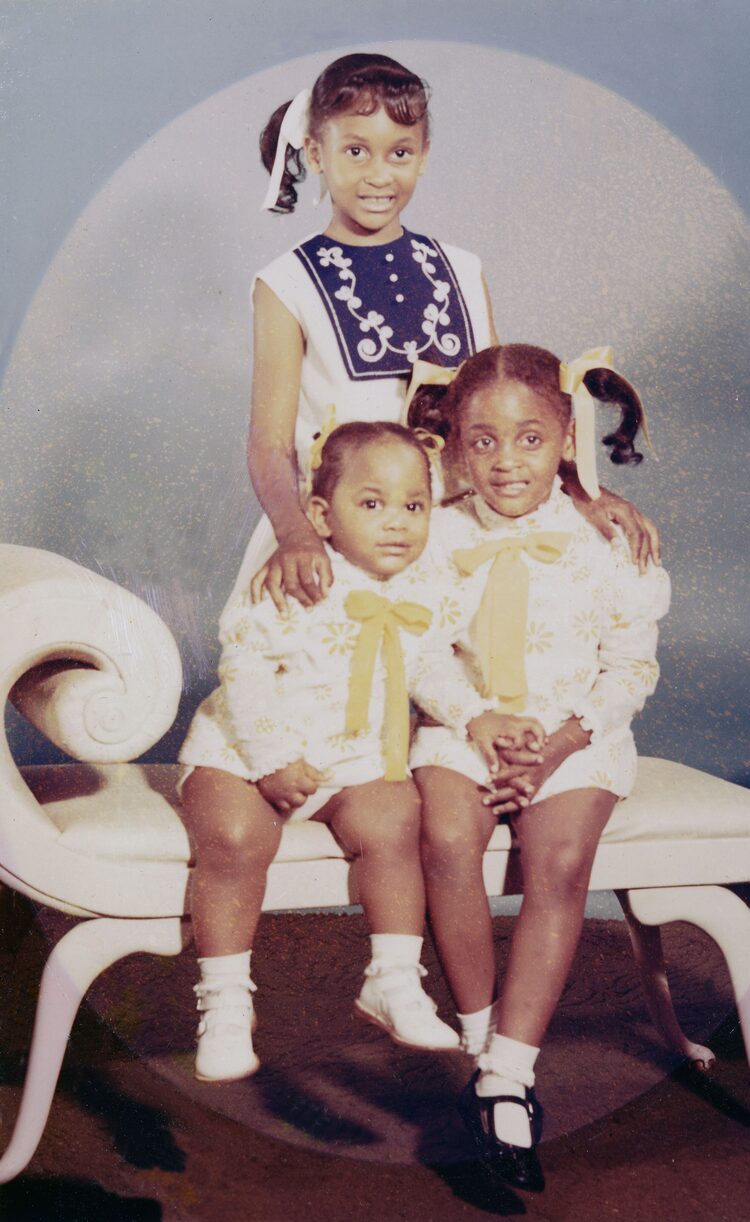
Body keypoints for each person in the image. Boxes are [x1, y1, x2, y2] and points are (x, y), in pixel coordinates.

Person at [178, 422, 541, 1082]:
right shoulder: (298, 574)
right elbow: (245, 669)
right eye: (371, 504)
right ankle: (227, 998)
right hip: (244, 752)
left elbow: (428, 665)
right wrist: (271, 762)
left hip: (351, 763)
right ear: (321, 514)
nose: (396, 523)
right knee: (233, 838)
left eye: (413, 506)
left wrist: (473, 715)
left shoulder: (426, 584)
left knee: (398, 817)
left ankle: (394, 977)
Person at [238, 51, 659, 613]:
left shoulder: (461, 268)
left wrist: (583, 489)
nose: (379, 174)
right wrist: (296, 534)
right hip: (345, 537)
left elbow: (506, 406)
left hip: (463, 532)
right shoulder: (285, 284)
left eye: (400, 153)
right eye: (356, 151)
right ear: (316, 153)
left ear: (424, 156)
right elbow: (269, 443)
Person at [407, 344, 671, 1191]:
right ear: (454, 447)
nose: (505, 460)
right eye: (481, 442)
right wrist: (475, 717)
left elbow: (630, 667)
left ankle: (508, 1076)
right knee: (446, 837)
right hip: (471, 724)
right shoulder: (438, 535)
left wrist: (558, 743)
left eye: (527, 439)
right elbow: (416, 648)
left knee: (559, 863)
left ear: (565, 439)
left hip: (574, 732)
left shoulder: (606, 536)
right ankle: (494, 1059)